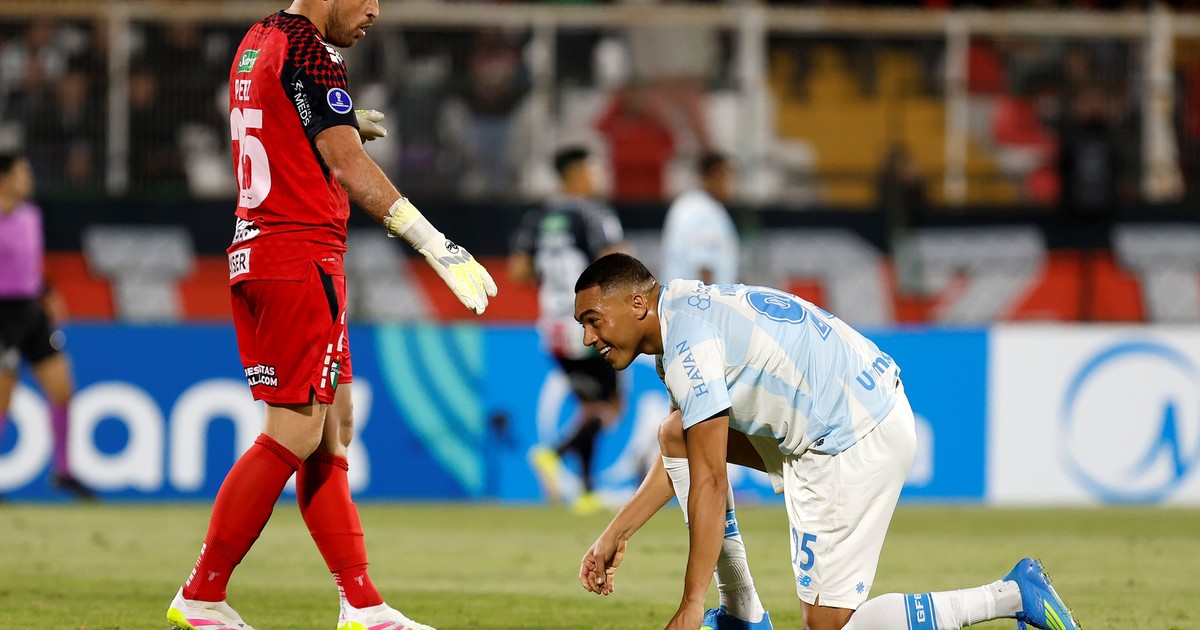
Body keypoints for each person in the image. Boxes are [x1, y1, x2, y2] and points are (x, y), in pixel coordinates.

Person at [167, 2, 496, 629]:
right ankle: (202, 593)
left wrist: (334, 121)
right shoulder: (312, 51)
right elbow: (346, 165)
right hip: (299, 255)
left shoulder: (259, 38)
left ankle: (362, 605)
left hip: (262, 249)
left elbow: (278, 123)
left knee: (331, 428)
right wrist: (435, 244)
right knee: (294, 431)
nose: (374, 10)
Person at [573, 253, 1082, 630]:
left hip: (851, 437)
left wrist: (689, 605)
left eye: (593, 321)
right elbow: (688, 450)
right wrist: (616, 533)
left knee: (829, 627)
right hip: (861, 404)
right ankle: (742, 613)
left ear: (637, 303)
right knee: (676, 433)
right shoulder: (681, 312)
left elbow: (709, 481)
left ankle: (1012, 595)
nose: (587, 338)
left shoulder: (688, 344)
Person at [509, 145, 626, 514]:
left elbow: (518, 270)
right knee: (611, 407)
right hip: (590, 324)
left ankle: (587, 492)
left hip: (553, 326)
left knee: (589, 408)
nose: (597, 177)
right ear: (577, 174)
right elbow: (616, 261)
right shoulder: (593, 213)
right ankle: (553, 455)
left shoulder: (539, 217)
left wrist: (554, 283)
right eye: (592, 170)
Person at [0, 149, 96, 501]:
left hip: (32, 312)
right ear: (4, 177)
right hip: (3, 315)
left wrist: (48, 292)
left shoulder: (30, 215)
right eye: (23, 172)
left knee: (63, 390)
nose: (29, 178)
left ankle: (64, 471)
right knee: (3, 399)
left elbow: (31, 264)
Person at [661, 152, 739, 285]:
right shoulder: (704, 211)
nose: (731, 185)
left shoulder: (688, 204)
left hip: (679, 295)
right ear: (709, 177)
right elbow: (704, 268)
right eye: (725, 176)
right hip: (695, 297)